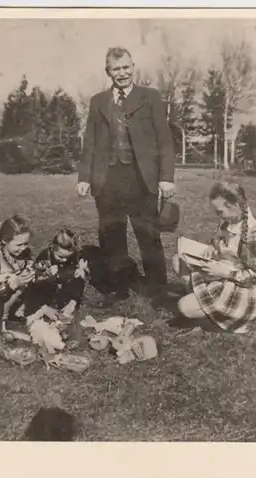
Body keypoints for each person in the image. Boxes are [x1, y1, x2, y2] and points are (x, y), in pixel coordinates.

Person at [76, 46, 176, 305]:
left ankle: (158, 289)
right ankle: (118, 288)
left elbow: (164, 140)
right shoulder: (99, 101)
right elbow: (90, 142)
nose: (122, 73)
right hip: (107, 180)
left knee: (148, 236)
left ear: (133, 67)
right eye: (115, 69)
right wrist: (84, 178)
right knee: (112, 236)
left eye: (126, 67)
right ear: (107, 71)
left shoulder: (150, 97)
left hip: (141, 179)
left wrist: (166, 177)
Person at [169, 181, 256, 333]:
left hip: (243, 287)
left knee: (184, 307)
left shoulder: (255, 234)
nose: (217, 215)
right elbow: (219, 238)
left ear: (236, 207)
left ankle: (218, 316)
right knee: (178, 260)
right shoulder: (229, 220)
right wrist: (213, 246)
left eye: (220, 212)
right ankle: (203, 305)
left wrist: (225, 273)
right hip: (221, 273)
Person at [23, 228, 90, 318]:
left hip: (63, 291)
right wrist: (44, 307)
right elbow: (34, 287)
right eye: (60, 257)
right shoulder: (45, 258)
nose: (64, 260)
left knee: (78, 275)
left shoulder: (74, 258)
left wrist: (73, 302)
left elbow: (78, 281)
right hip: (46, 292)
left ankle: (70, 302)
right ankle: (44, 307)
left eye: (68, 257)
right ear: (52, 248)